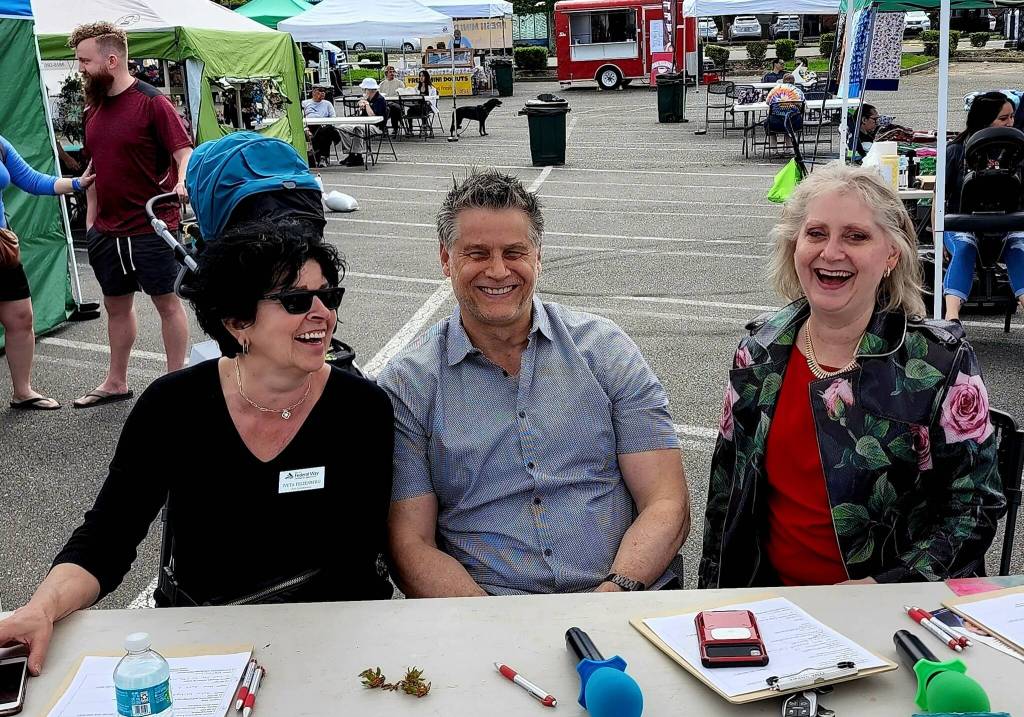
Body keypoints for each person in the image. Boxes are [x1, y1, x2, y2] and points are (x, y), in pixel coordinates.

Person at [0, 221, 394, 676]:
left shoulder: (361, 409)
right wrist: (41, 608)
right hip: (199, 639)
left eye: (330, 296)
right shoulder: (174, 405)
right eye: (296, 301)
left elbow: (361, 557)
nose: (322, 313)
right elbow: (107, 537)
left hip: (326, 640)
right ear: (237, 321)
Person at [380, 170, 691, 598]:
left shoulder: (605, 351)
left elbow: (666, 501)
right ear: (445, 258)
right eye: (476, 253)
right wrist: (499, 626)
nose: (497, 270)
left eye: (514, 252)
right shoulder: (409, 384)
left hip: (622, 594)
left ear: (538, 256)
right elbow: (409, 543)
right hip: (487, 611)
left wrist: (612, 594)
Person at [699, 162, 1005, 589]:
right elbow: (726, 494)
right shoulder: (758, 351)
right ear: (794, 246)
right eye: (816, 233)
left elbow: (974, 506)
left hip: (891, 610)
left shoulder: (938, 362)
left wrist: (883, 587)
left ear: (891, 255)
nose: (831, 252)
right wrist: (712, 605)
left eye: (856, 236)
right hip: (770, 604)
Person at [68, 22, 192, 409]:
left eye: (85, 61)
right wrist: (91, 221)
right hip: (107, 230)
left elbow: (184, 152)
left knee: (166, 303)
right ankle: (116, 381)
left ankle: (175, 385)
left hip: (151, 226)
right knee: (116, 306)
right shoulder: (94, 109)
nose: (81, 69)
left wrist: (184, 182)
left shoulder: (152, 102)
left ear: (111, 59)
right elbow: (95, 170)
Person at [0, 136, 94, 411]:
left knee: (20, 317)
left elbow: (31, 179)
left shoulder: (2, 144)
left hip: (2, 249)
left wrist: (77, 183)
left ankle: (22, 391)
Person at [943, 91, 1024, 321]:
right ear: (984, 119)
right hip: (961, 224)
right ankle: (952, 318)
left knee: (1019, 248)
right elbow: (939, 198)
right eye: (1003, 118)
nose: (1010, 123)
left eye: (1012, 117)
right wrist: (939, 236)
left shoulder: (1018, 153)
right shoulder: (956, 151)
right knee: (965, 247)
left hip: (1008, 223)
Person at [338, 78, 386, 168]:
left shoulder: (380, 100)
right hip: (362, 124)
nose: (363, 92)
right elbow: (359, 116)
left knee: (358, 129)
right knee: (342, 127)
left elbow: (373, 117)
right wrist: (360, 108)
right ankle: (352, 153)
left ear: (369, 90)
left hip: (376, 127)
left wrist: (367, 104)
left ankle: (357, 156)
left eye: (364, 90)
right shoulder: (366, 99)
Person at [302, 85, 340, 167]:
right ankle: (323, 157)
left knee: (328, 130)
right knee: (329, 133)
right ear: (313, 92)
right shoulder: (305, 103)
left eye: (324, 91)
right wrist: (305, 129)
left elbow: (333, 118)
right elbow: (301, 119)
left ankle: (318, 154)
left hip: (324, 127)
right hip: (310, 127)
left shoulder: (328, 104)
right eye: (320, 90)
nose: (323, 93)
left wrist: (326, 124)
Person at [378, 65, 406, 137]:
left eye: (393, 72)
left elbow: (403, 94)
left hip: (397, 105)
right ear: (386, 73)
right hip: (385, 106)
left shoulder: (400, 83)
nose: (392, 73)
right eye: (390, 72)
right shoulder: (382, 84)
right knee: (384, 109)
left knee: (393, 107)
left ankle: (394, 128)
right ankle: (383, 128)